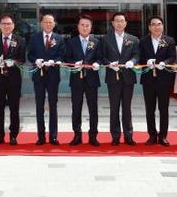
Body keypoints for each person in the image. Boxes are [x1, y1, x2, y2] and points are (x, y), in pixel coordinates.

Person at [64, 14, 103, 146]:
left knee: (93, 109)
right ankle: (77, 135)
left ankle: (93, 136)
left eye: (87, 25)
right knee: (76, 108)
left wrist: (97, 63)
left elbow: (100, 58)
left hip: (92, 80)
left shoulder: (96, 42)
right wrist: (74, 64)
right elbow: (67, 58)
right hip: (76, 80)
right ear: (78, 26)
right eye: (82, 25)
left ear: (91, 27)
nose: (84, 28)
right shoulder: (71, 42)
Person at [27, 13, 66, 145]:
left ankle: (53, 136)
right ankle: (41, 136)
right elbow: (30, 55)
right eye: (46, 22)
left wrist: (55, 61)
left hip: (53, 76)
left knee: (53, 105)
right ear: (41, 23)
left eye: (50, 22)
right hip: (38, 76)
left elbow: (62, 55)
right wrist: (35, 60)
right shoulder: (34, 38)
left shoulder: (59, 38)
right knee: (39, 105)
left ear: (54, 24)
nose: (48, 24)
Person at [102, 12, 140, 146]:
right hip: (113, 77)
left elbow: (137, 55)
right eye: (116, 21)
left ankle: (128, 135)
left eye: (121, 21)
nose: (119, 23)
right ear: (112, 23)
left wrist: (132, 61)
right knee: (114, 108)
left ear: (125, 23)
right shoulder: (106, 39)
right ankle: (115, 136)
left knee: (127, 108)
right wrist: (109, 64)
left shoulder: (133, 39)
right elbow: (102, 56)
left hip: (128, 77)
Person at [0, 13, 26, 146]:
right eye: (3, 24)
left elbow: (23, 59)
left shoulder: (20, 40)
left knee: (14, 109)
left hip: (14, 80)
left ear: (13, 26)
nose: (6, 26)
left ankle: (13, 135)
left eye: (9, 23)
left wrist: (14, 62)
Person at [139, 16, 176, 146]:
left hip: (164, 79)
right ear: (149, 27)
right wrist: (146, 62)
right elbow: (139, 58)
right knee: (150, 109)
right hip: (148, 79)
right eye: (153, 24)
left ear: (162, 26)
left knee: (163, 108)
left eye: (159, 24)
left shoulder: (169, 41)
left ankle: (163, 136)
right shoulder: (143, 41)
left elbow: (172, 57)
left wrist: (164, 63)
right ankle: (152, 135)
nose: (156, 27)